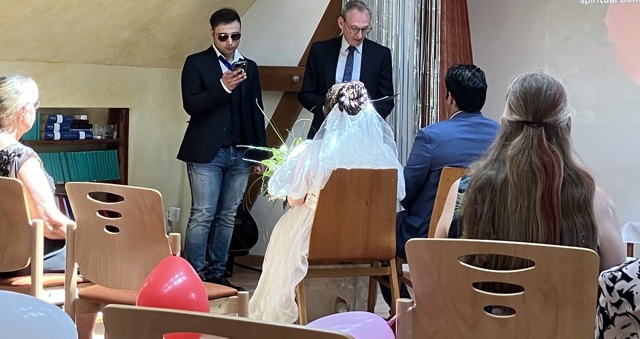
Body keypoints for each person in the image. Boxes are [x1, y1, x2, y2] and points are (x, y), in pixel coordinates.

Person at [435, 71, 625, 273]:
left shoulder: (465, 193)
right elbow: (616, 291)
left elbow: (437, 269)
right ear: (567, 128)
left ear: (504, 125)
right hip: (563, 306)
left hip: (475, 306)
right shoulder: (595, 202)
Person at [249, 81, 405, 323]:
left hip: (319, 238)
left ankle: (300, 315)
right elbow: (395, 197)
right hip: (368, 238)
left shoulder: (312, 152)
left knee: (286, 228)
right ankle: (346, 308)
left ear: (327, 112)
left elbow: (294, 199)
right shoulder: (384, 156)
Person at [0, 74, 97, 339]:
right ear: (23, 111)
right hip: (23, 261)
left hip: (3, 256)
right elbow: (51, 223)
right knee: (97, 260)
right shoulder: (21, 157)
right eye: (35, 104)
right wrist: (89, 233)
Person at [178, 8, 266, 290]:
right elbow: (191, 105)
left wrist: (259, 153)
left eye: (235, 36)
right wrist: (222, 87)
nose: (230, 42)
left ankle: (217, 272)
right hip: (207, 152)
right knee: (203, 213)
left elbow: (256, 111)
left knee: (228, 215)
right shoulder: (196, 63)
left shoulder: (249, 67)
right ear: (212, 34)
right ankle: (194, 274)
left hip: (240, 152)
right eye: (223, 36)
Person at [397, 64, 499, 259]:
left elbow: (406, 191)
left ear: (450, 97)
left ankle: (400, 291)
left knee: (388, 231)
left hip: (429, 233)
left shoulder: (430, 137)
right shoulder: (502, 135)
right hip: (488, 233)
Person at [298, 0, 394, 138]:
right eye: (354, 28)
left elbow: (387, 100)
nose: (360, 35)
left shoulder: (380, 54)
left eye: (365, 29)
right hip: (325, 132)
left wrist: (363, 115)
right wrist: (328, 109)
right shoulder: (320, 51)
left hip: (365, 135)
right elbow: (306, 94)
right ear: (341, 23)